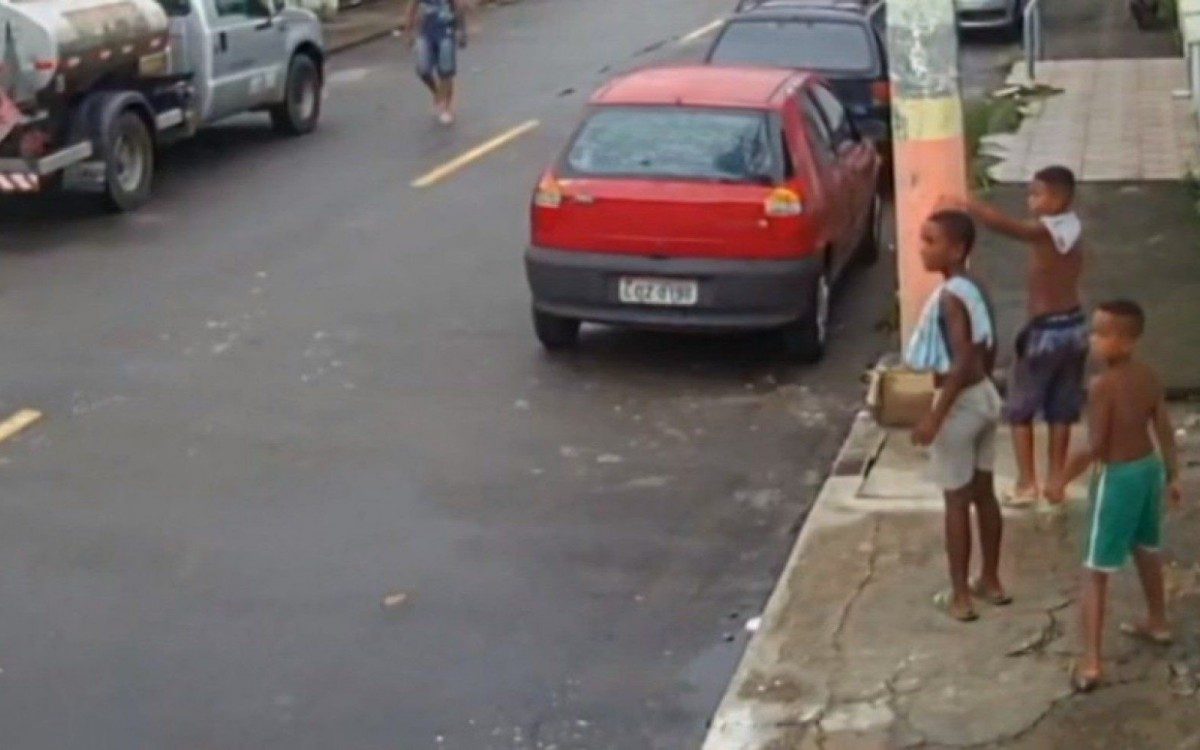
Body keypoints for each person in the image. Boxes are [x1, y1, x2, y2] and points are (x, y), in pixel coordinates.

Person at [1045, 300, 1182, 692]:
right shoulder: (1149, 376)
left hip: (1117, 478)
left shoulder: (1102, 387)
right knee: (1146, 547)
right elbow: (1163, 426)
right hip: (1148, 469)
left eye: (1101, 333)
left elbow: (1095, 445)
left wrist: (1060, 479)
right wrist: (1171, 474)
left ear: (1125, 340)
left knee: (1095, 569)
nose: (1093, 340)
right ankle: (1158, 621)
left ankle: (1091, 661)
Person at [945, 166, 1087, 511]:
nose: (1030, 201)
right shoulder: (1072, 227)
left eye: (1037, 194)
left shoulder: (1045, 231)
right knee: (1061, 409)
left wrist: (967, 203)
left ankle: (1026, 483)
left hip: (1044, 331)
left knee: (1020, 410)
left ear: (1059, 198)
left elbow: (1008, 227)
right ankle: (1056, 480)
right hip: (1075, 328)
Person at [907, 210, 1009, 623]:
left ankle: (961, 596)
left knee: (956, 501)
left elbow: (963, 357)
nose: (922, 249)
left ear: (957, 249)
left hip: (961, 403)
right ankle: (991, 580)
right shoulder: (973, 287)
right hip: (985, 397)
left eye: (930, 241)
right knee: (984, 492)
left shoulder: (949, 297)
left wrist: (937, 415)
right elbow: (987, 345)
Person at [403, 0, 467, 125]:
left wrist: (461, 31)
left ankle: (446, 108)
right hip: (426, 34)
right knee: (423, 70)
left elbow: (459, 7)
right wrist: (408, 33)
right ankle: (438, 94)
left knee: (446, 71)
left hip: (446, 33)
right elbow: (411, 9)